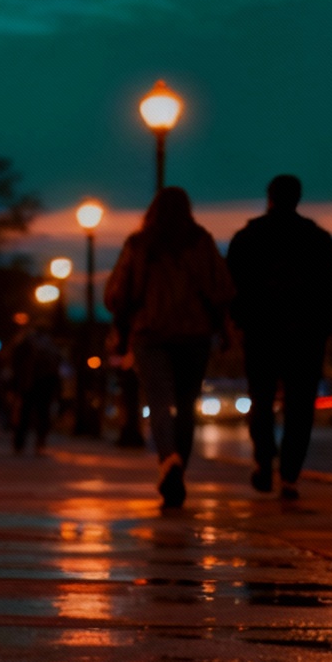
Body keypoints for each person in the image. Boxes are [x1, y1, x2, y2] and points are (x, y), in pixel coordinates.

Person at [104, 186, 235, 509]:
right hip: (194, 334)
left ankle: (168, 459)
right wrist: (223, 328)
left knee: (160, 402)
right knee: (187, 405)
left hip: (151, 334)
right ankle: (179, 467)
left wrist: (124, 324)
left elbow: (119, 293)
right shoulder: (201, 241)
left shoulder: (140, 244)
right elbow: (220, 287)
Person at [226, 175, 332, 501]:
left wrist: (239, 320)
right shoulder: (316, 238)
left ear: (269, 198)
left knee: (262, 399)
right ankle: (290, 474)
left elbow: (230, 286)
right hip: (306, 332)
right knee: (300, 405)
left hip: (261, 330)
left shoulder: (249, 237)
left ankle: (264, 458)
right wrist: (326, 323)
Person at [8, 321, 62, 455]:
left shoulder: (26, 342)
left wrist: (16, 382)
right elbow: (57, 365)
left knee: (25, 414)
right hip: (45, 384)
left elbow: (15, 363)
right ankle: (40, 443)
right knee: (42, 414)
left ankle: (19, 444)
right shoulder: (50, 345)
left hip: (29, 383)